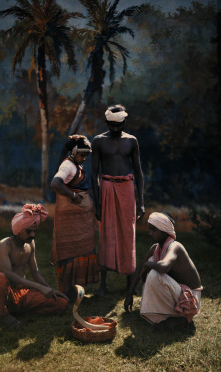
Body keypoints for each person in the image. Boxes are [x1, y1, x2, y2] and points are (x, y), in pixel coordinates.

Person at [0, 203, 69, 328]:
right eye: (29, 232)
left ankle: (20, 310)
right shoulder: (4, 245)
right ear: (19, 229)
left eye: (34, 232)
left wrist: (49, 290)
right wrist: (39, 287)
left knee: (62, 303)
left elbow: (35, 271)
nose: (33, 235)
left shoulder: (30, 244)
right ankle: (3, 314)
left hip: (21, 294)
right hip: (0, 295)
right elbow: (8, 274)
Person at [91, 104, 145, 297]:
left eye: (119, 125)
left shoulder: (131, 141)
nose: (115, 129)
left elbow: (138, 172)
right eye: (112, 125)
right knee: (106, 234)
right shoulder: (98, 141)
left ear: (124, 122)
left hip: (126, 190)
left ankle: (131, 284)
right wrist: (97, 202)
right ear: (106, 122)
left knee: (128, 234)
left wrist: (141, 202)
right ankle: (102, 286)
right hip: (106, 188)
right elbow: (93, 174)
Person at [124, 212, 202, 330]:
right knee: (152, 265)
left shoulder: (175, 246)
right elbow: (140, 268)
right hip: (177, 291)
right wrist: (129, 295)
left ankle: (183, 317)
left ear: (164, 231)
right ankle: (171, 316)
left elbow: (164, 266)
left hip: (190, 298)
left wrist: (147, 265)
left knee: (155, 272)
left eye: (153, 230)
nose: (150, 233)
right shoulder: (155, 248)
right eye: (149, 229)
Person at [50, 134, 99, 298]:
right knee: (69, 253)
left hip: (80, 222)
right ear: (73, 152)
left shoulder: (76, 165)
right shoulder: (68, 166)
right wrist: (72, 195)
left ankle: (74, 289)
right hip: (70, 222)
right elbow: (55, 183)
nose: (84, 158)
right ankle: (66, 291)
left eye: (87, 155)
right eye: (82, 154)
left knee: (79, 252)